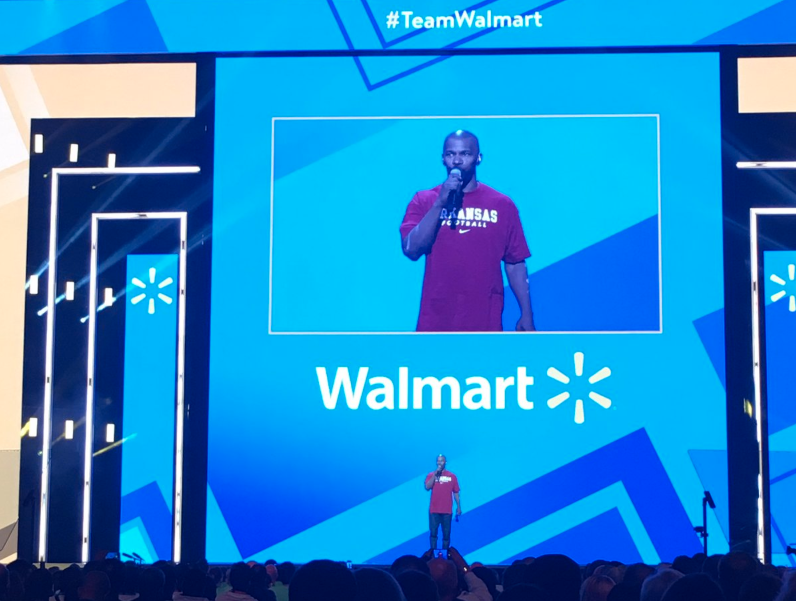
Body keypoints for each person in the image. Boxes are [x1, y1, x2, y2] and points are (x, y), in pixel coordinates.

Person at [400, 130, 534, 332]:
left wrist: (526, 313)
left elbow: (515, 263)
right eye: (450, 154)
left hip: (484, 319)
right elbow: (411, 249)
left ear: (478, 158)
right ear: (443, 159)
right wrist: (440, 203)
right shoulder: (425, 200)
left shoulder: (502, 205)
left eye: (465, 154)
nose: (457, 160)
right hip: (436, 321)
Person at [424, 455, 461, 550]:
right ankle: (433, 555)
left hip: (447, 511)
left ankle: (444, 556)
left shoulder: (452, 476)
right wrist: (434, 475)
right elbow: (427, 487)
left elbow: (456, 492)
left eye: (442, 461)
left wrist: (458, 506)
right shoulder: (431, 475)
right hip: (434, 510)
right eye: (438, 461)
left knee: (446, 535)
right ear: (437, 463)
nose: (440, 462)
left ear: (445, 462)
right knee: (433, 534)